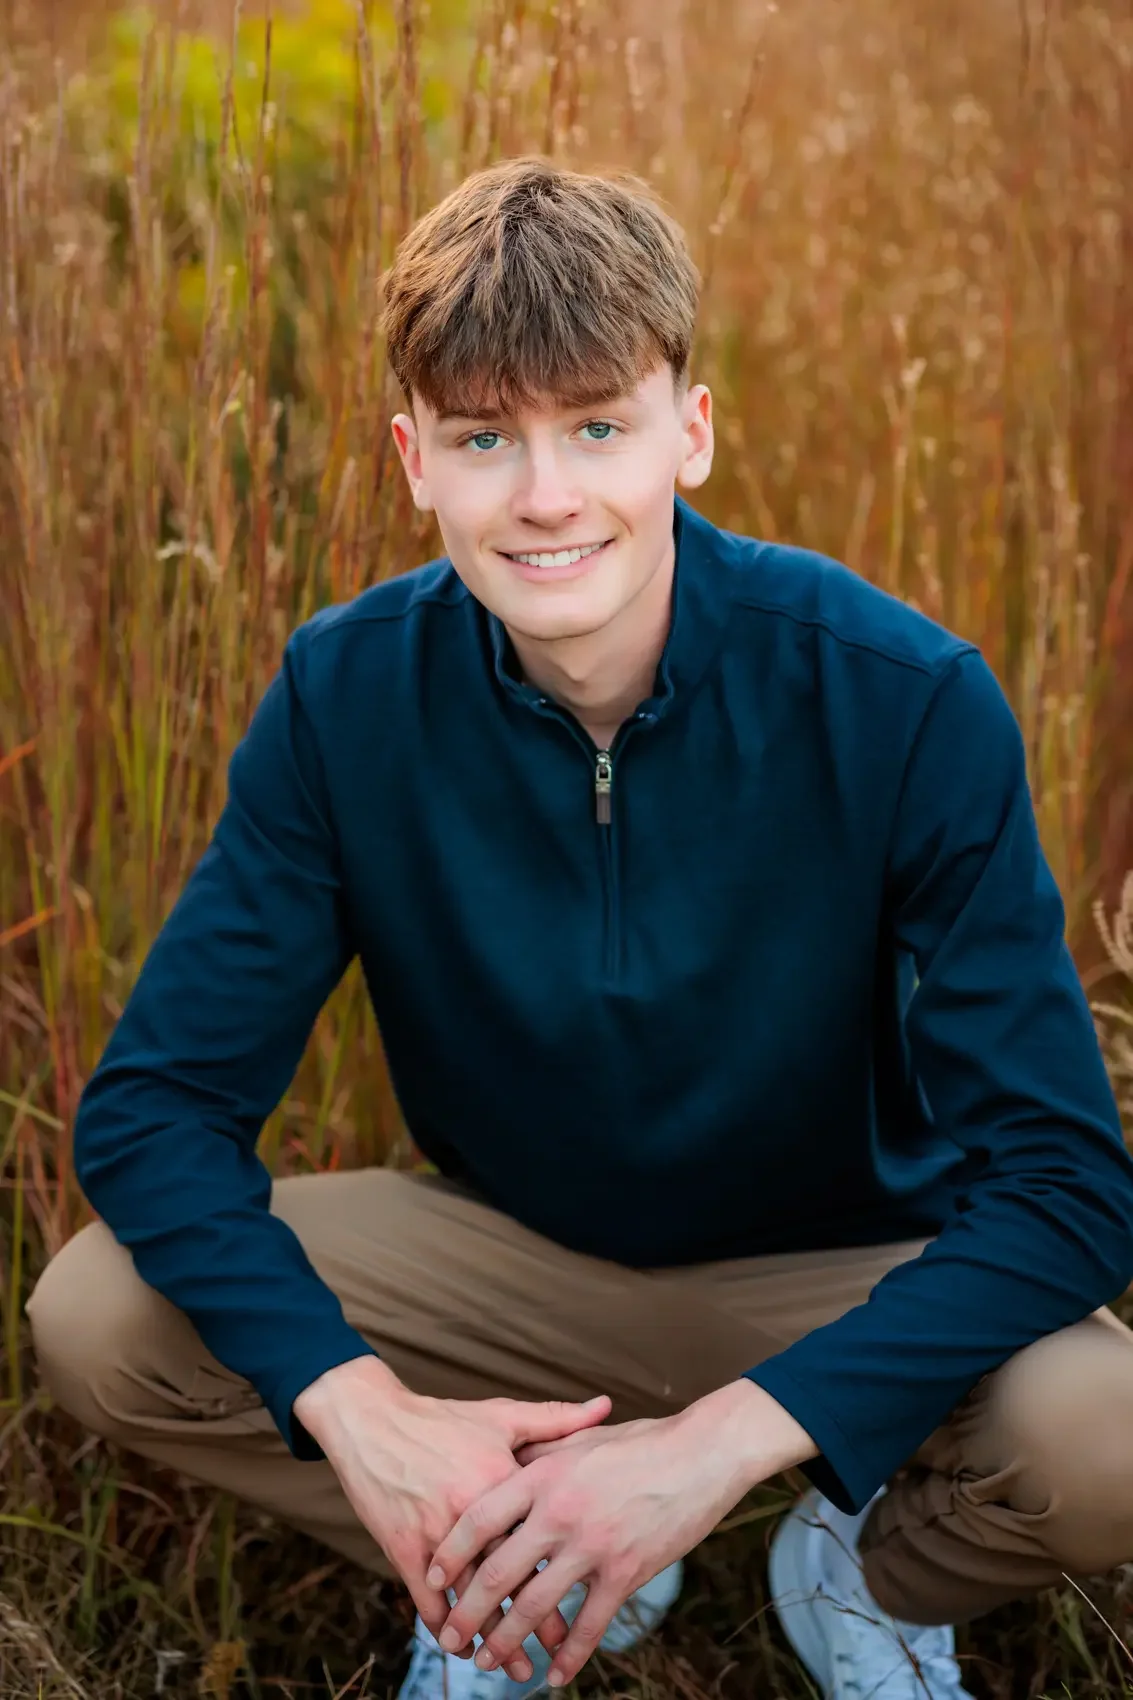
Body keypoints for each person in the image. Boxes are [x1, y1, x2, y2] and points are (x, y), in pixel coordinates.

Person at [25, 155, 1133, 1700]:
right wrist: (363, 1407)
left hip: (839, 1264)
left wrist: (717, 1445)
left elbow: (1070, 1185)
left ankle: (862, 1567)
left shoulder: (902, 701)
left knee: (1108, 1436)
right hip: (515, 1266)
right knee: (99, 1315)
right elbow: (155, 1114)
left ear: (690, 428)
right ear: (416, 460)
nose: (545, 495)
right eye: (487, 439)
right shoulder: (346, 698)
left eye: (597, 426)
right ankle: (509, 1557)